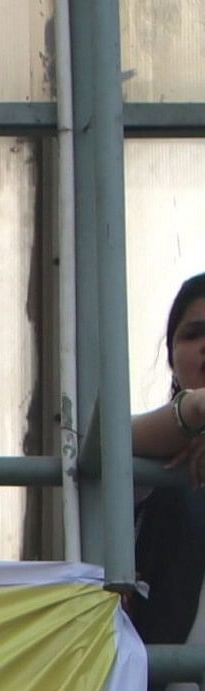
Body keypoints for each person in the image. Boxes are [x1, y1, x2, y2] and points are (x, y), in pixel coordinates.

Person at [124, 275, 205, 641]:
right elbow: (103, 445)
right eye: (193, 334)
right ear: (171, 356)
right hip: (169, 685)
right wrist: (194, 410)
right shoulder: (153, 452)